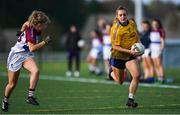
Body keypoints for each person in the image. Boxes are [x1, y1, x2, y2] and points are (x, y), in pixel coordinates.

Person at [2, 10, 51, 112]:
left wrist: (21, 31)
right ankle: (5, 100)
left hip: (26, 55)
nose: (45, 26)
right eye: (44, 24)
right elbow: (32, 48)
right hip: (16, 56)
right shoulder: (31, 32)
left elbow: (25, 23)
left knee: (36, 71)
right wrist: (45, 42)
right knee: (12, 84)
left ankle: (30, 97)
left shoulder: (33, 25)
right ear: (38, 24)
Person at [109, 6, 142, 108]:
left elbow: (136, 36)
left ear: (127, 15)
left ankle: (130, 99)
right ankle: (111, 74)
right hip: (117, 56)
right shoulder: (115, 29)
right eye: (120, 15)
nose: (123, 16)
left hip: (130, 55)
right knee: (120, 81)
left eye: (124, 14)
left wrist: (140, 47)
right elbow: (115, 46)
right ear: (117, 16)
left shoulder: (132, 23)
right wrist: (130, 51)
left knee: (137, 75)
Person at [150, 19, 165, 83]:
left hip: (158, 48)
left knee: (159, 63)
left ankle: (162, 77)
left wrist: (162, 48)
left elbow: (162, 40)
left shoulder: (161, 31)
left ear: (158, 24)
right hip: (152, 48)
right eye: (153, 24)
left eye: (156, 24)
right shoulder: (151, 31)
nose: (155, 25)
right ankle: (159, 77)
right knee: (155, 64)